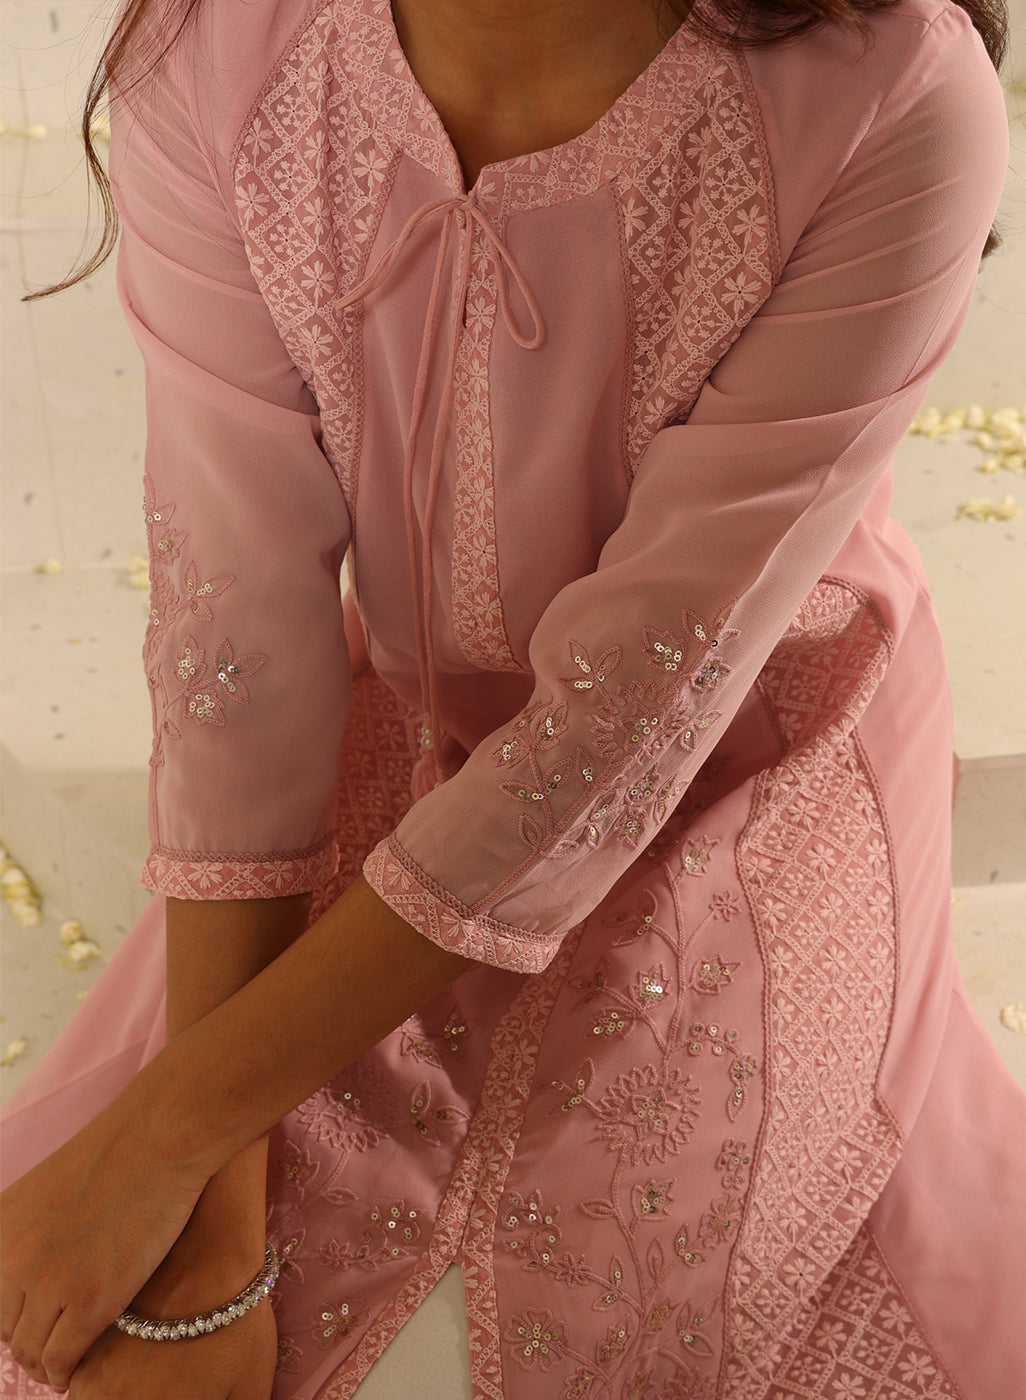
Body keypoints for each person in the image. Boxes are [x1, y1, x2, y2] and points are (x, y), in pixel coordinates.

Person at [2, 0, 1024, 1395]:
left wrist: (162, 1132)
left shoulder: (893, 95)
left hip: (761, 738)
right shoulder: (220, 47)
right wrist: (212, 1206)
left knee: (659, 1285)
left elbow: (636, 707)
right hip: (413, 718)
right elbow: (234, 615)